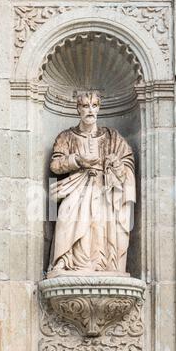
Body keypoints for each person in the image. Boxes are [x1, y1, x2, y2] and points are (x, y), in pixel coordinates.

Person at [48, 91, 135, 275]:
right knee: (66, 217)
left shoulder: (112, 137)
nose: (90, 110)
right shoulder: (67, 137)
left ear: (99, 108)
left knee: (101, 225)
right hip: (77, 188)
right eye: (86, 106)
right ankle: (65, 260)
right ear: (78, 109)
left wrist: (117, 165)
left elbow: (127, 161)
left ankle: (105, 265)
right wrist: (77, 160)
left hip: (103, 190)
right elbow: (55, 165)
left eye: (94, 106)